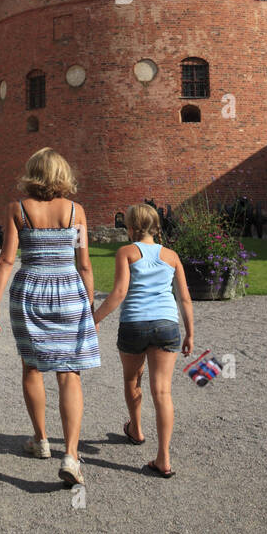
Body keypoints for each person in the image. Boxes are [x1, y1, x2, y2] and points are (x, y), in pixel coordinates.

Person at [0, 148, 99, 487]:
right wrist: (88, 306)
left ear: (32, 174)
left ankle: (41, 441)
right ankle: (72, 456)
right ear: (62, 175)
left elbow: (6, 260)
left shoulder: (17, 210)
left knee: (32, 367)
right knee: (69, 373)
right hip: (69, 293)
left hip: (30, 291)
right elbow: (84, 264)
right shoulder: (76, 212)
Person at [93, 202, 193, 478]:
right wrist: (190, 333)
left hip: (134, 324)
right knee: (162, 392)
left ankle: (136, 429)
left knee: (132, 380)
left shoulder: (126, 252)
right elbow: (184, 297)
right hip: (166, 325)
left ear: (133, 228)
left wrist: (94, 319)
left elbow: (119, 293)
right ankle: (164, 458)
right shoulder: (171, 256)